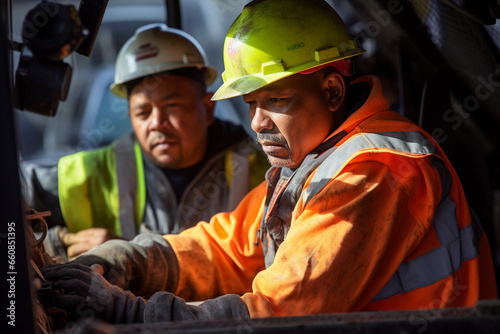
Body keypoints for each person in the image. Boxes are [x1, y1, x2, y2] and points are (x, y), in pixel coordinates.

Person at [42, 0, 497, 323]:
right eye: (250, 103)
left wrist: (127, 309)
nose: (257, 122)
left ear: (333, 92)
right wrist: (131, 259)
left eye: (275, 100)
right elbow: (228, 248)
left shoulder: (372, 173)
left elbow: (276, 315)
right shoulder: (315, 161)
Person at [21, 23, 267, 261]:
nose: (156, 122)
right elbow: (13, 190)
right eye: (142, 112)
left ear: (207, 108)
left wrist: (128, 256)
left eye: (172, 106)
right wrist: (56, 242)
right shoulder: (93, 173)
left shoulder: (263, 172)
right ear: (130, 116)